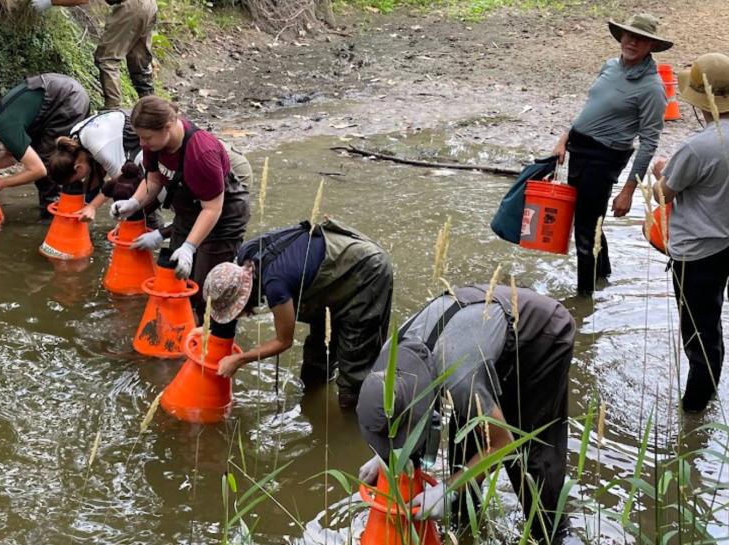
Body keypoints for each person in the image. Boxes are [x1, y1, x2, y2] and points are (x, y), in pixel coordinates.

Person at [356, 285, 575, 543]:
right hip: (476, 340)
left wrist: (448, 490)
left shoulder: (460, 376)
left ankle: (554, 533)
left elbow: (503, 443)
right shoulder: (388, 360)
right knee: (464, 438)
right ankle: (466, 520)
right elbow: (399, 412)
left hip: (542, 336)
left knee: (528, 452)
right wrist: (382, 457)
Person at [649, 53, 729, 413]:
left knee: (697, 338)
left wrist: (661, 170)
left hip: (695, 254)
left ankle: (693, 411)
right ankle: (707, 396)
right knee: (709, 328)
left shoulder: (699, 146)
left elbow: (663, 193)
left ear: (700, 101)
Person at [200, 219, 393, 409]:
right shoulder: (247, 254)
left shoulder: (275, 284)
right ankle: (314, 410)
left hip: (367, 271)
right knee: (316, 363)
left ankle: (357, 422)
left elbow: (284, 341)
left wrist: (239, 359)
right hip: (328, 278)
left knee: (355, 369)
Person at [551, 14, 671, 295]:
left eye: (640, 38)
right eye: (628, 35)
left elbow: (649, 143)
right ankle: (603, 275)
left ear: (651, 45)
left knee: (584, 230)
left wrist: (628, 191)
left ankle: (583, 300)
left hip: (603, 159)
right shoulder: (609, 66)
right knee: (591, 221)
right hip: (578, 151)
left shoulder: (653, 89)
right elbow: (591, 108)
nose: (632, 42)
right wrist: (564, 139)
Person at [110, 96, 252, 318]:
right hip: (190, 211)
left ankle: (210, 339)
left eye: (146, 137)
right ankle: (176, 336)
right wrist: (134, 202)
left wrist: (189, 248)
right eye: (139, 137)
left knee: (207, 292)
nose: (142, 143)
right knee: (173, 276)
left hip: (223, 216)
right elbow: (154, 181)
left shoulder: (201, 153)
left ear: (168, 127)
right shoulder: (154, 144)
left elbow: (212, 209)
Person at [0, 73, 90, 215]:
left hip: (68, 100)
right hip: (54, 96)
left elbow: (38, 170)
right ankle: (57, 200)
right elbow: (11, 158)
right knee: (39, 154)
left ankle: (54, 211)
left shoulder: (7, 130)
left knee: (49, 164)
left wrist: (2, 183)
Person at [29, 0, 156, 109]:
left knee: (107, 59)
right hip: (150, 5)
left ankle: (113, 108)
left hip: (132, 7)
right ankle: (151, 106)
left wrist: (50, 2)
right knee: (139, 59)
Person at [45, 109, 151, 223]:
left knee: (131, 189)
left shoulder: (102, 151)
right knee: (92, 192)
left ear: (78, 168)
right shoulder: (73, 141)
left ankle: (148, 224)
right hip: (117, 123)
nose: (81, 180)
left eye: (77, 179)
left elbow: (120, 180)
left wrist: (92, 207)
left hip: (136, 131)